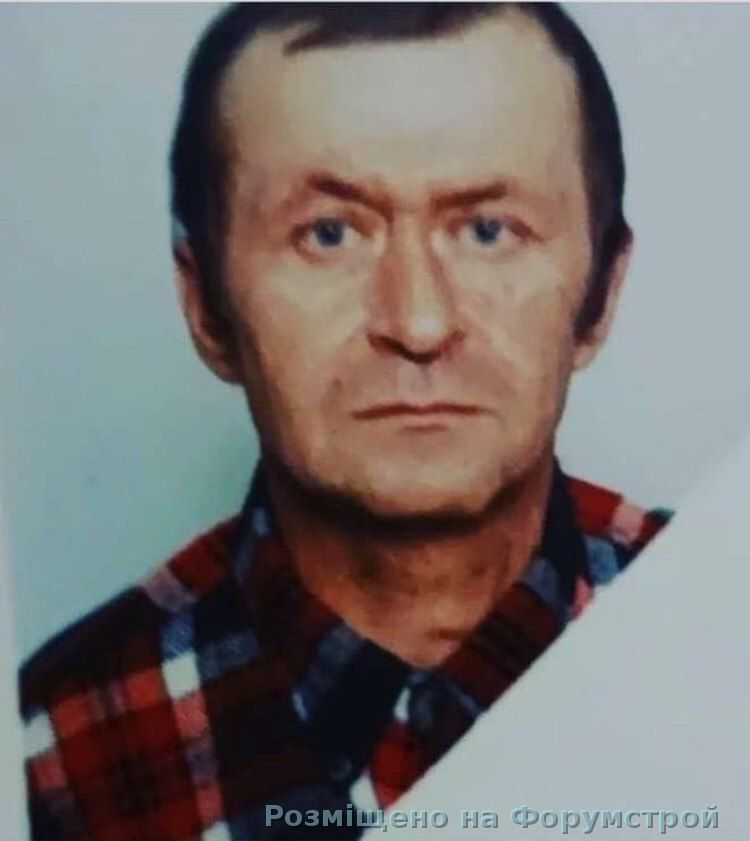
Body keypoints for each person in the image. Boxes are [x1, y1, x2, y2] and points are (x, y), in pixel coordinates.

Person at [19, 4, 670, 839]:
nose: (419, 322)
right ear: (205, 306)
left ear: (602, 294)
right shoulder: (48, 758)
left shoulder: (724, 631)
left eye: (487, 230)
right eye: (328, 234)